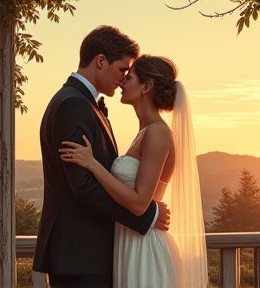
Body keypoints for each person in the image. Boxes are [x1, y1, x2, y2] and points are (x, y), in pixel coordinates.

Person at [32, 26, 170, 288]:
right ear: (100, 61)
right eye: (122, 69)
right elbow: (83, 186)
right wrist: (146, 215)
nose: (123, 78)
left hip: (84, 255)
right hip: (81, 254)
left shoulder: (78, 102)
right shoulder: (74, 104)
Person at [59, 55, 209, 288]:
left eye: (129, 78)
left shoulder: (157, 133)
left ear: (146, 87)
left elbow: (140, 203)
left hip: (145, 247)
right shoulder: (145, 132)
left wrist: (93, 165)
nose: (121, 82)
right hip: (130, 242)